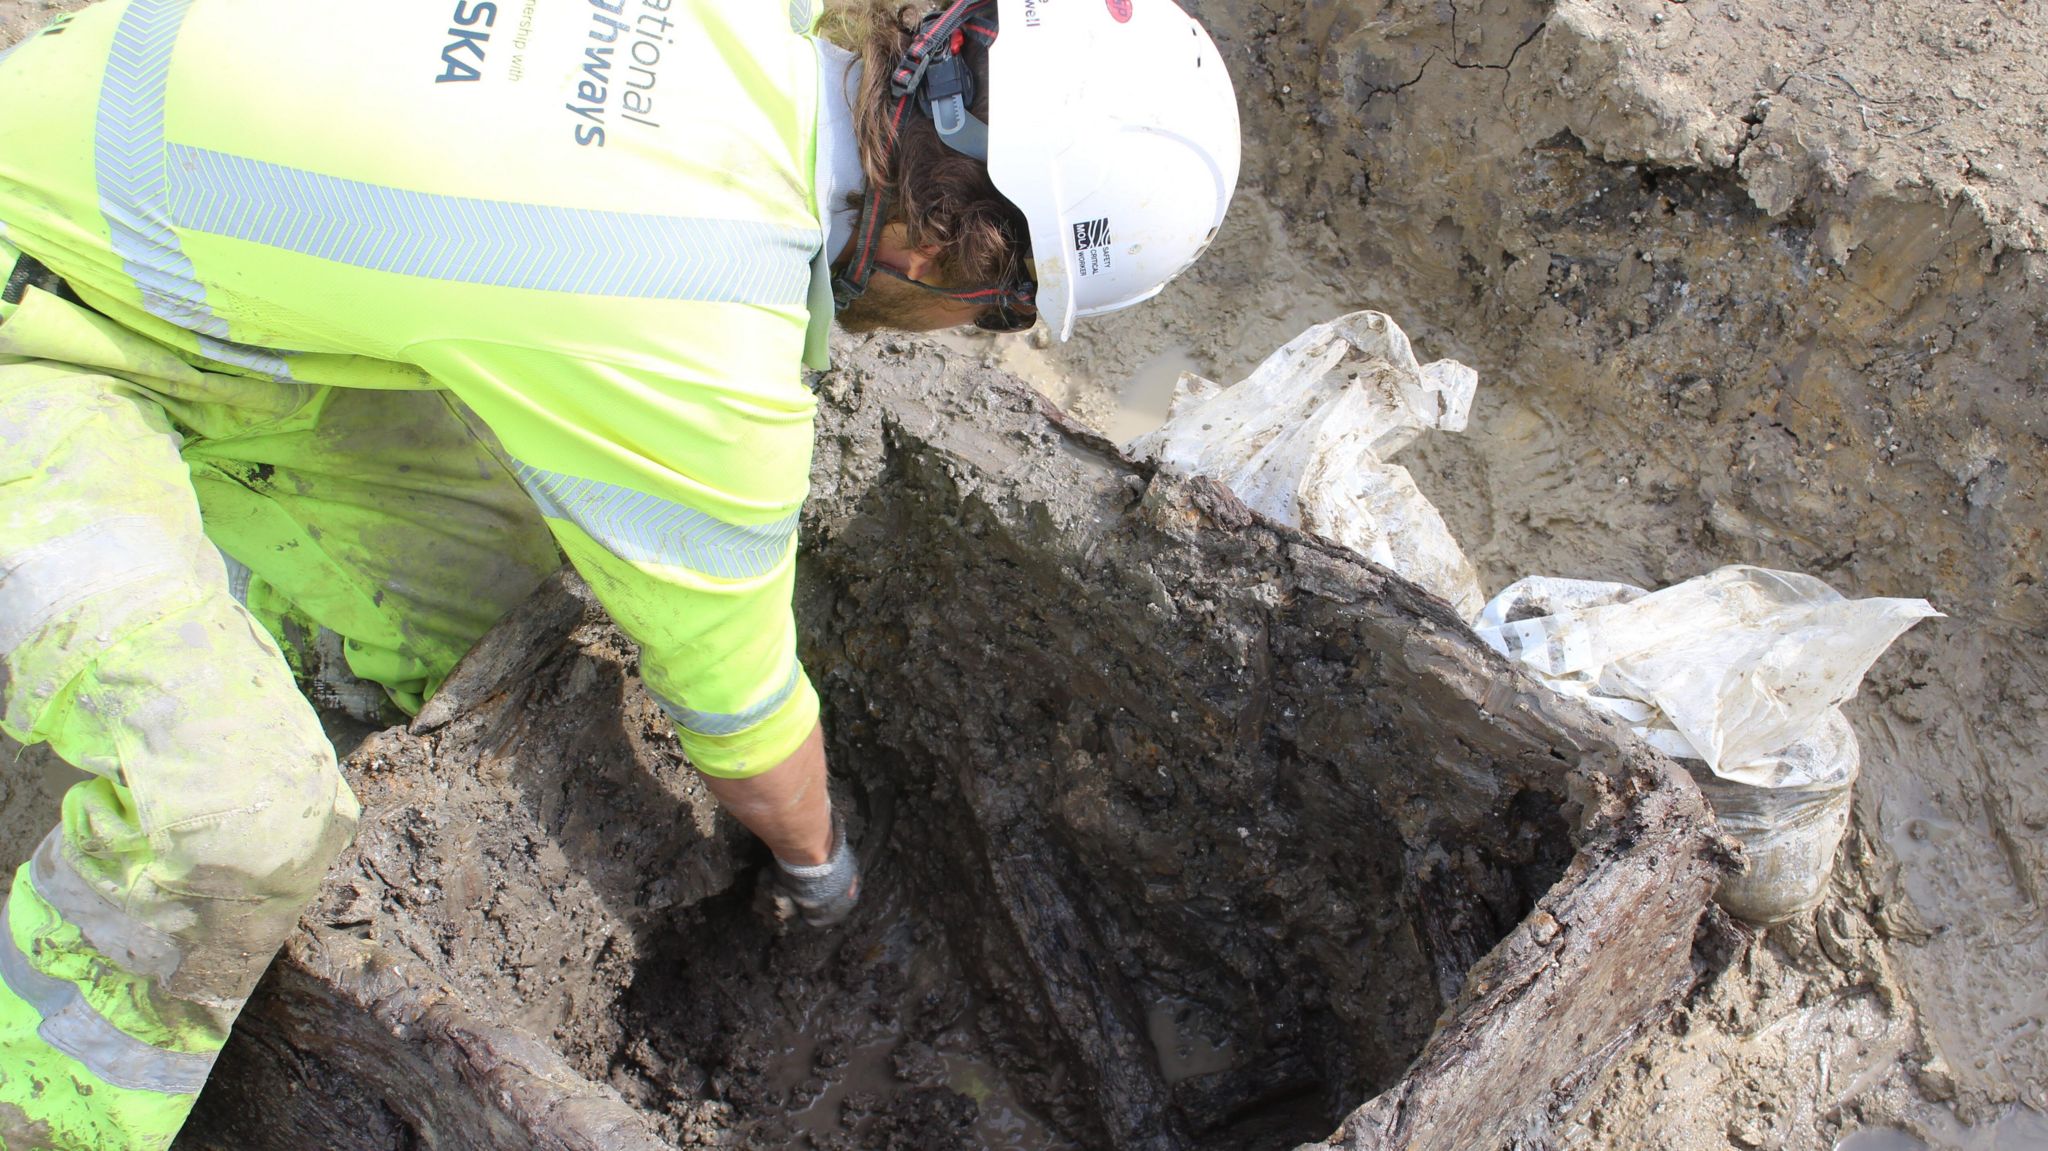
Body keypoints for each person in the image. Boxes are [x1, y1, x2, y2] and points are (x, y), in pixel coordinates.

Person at [0, 0, 1238, 1143]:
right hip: (40, 311)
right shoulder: (705, 331)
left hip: (130, 167)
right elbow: (744, 717)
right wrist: (828, 874)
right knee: (239, 813)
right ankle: (46, 1104)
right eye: (993, 317)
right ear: (943, 260)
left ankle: (260, 661)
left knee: (475, 603)